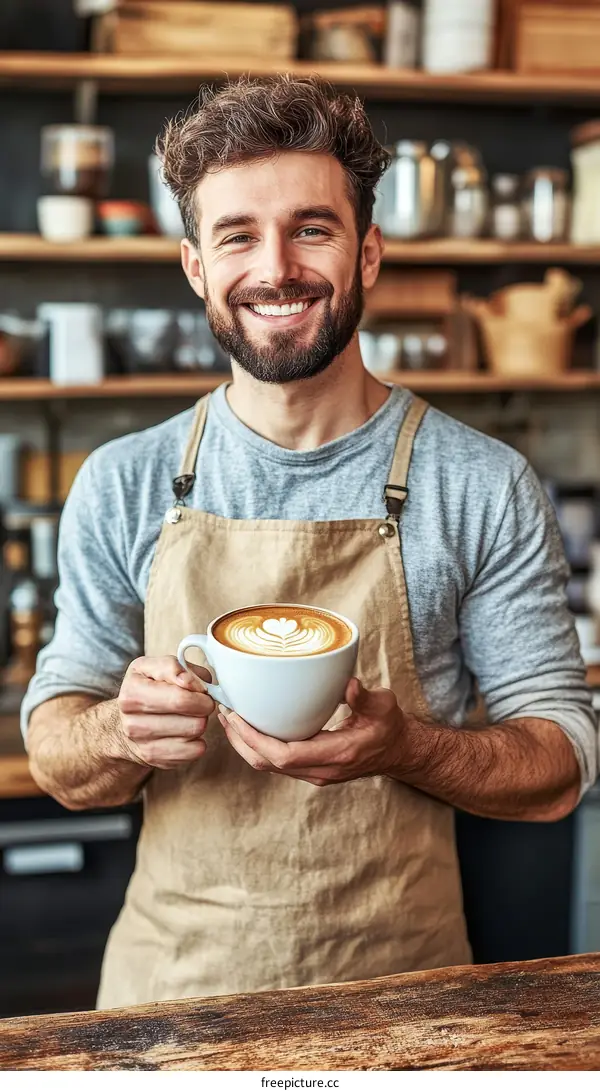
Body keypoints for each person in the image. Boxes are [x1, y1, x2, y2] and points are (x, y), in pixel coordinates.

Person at [24, 76, 596, 1009]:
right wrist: (120, 732)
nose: (276, 267)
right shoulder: (124, 480)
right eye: (237, 234)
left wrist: (407, 746)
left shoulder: (481, 483)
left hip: (407, 1006)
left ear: (368, 252)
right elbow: (56, 748)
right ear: (195, 265)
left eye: (312, 228)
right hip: (175, 1003)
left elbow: (562, 759)